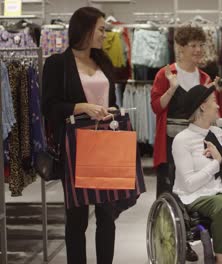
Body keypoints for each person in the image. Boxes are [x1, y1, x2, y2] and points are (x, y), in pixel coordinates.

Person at [41, 7, 120, 264]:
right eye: (101, 29)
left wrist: (114, 113)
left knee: (108, 214)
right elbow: (49, 107)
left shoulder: (104, 61)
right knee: (77, 216)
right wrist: (81, 107)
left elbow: (111, 99)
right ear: (84, 29)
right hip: (75, 145)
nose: (104, 35)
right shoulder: (57, 64)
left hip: (107, 143)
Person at [150, 25, 219, 261]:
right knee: (169, 191)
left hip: (196, 146)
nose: (198, 50)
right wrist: (171, 89)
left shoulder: (205, 77)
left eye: (201, 45)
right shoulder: (166, 74)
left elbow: (209, 115)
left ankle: (187, 240)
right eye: (193, 45)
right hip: (169, 145)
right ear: (180, 48)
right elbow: (156, 107)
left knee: (194, 192)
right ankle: (166, 242)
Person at [172, 84, 222, 264]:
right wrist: (216, 163)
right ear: (202, 106)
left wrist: (219, 160)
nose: (218, 106)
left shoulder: (217, 133)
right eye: (214, 101)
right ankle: (221, 260)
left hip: (220, 188)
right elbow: (189, 184)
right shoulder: (182, 140)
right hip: (194, 194)